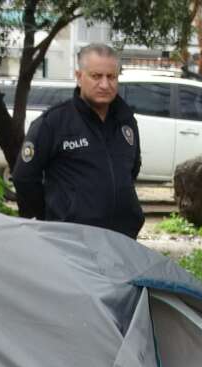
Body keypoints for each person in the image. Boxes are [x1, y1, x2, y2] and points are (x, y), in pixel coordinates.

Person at [12, 43, 143, 239]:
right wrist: (52, 217)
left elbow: (131, 169)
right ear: (79, 77)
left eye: (111, 77)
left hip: (122, 240)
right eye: (96, 76)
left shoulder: (126, 121)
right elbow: (24, 178)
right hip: (73, 241)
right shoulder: (54, 123)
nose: (105, 84)